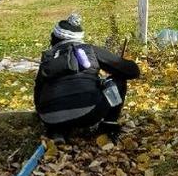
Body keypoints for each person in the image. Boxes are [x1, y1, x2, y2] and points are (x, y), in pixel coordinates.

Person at [34, 14, 141, 143]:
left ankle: (58, 131)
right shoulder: (90, 50)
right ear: (79, 39)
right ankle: (108, 126)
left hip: (49, 117)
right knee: (118, 80)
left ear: (54, 38)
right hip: (90, 113)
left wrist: (45, 115)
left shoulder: (48, 58)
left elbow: (38, 92)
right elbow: (132, 71)